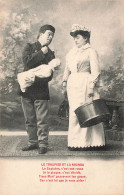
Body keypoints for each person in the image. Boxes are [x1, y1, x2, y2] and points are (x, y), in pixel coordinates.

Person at [62, 24, 105, 150]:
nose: (75, 40)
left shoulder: (91, 51)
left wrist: (92, 87)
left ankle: (92, 143)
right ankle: (76, 143)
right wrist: (64, 82)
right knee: (75, 113)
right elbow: (67, 69)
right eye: (74, 38)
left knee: (89, 111)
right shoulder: (71, 53)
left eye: (78, 37)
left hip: (86, 83)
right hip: (73, 84)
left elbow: (96, 71)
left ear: (86, 38)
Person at [18, 24, 56, 154]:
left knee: (42, 120)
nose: (50, 37)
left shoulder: (51, 54)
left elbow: (50, 75)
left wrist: (35, 79)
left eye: (52, 35)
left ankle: (43, 144)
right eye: (48, 34)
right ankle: (32, 143)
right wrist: (41, 53)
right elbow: (27, 63)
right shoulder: (29, 47)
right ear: (40, 34)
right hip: (26, 90)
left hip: (41, 90)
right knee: (29, 119)